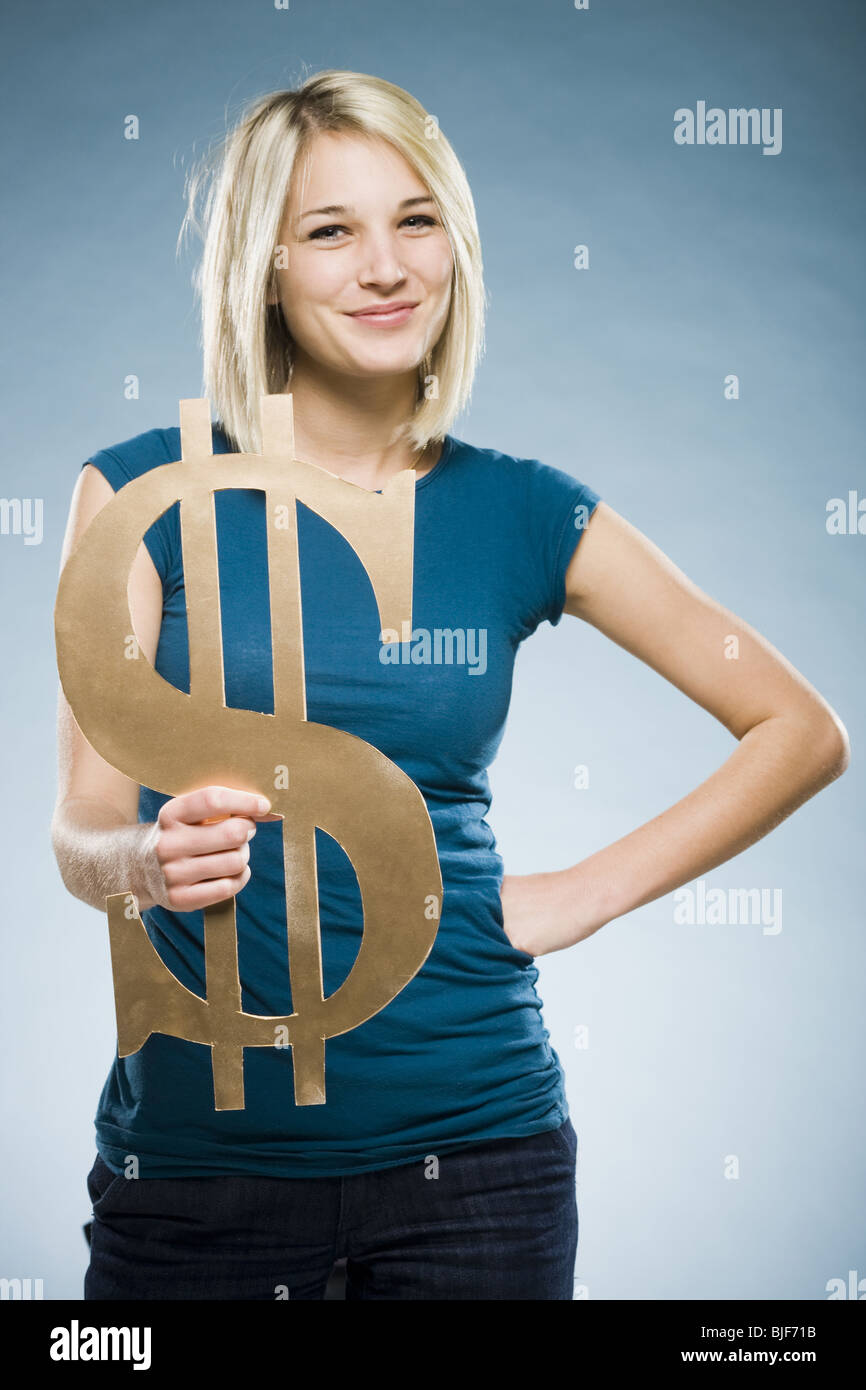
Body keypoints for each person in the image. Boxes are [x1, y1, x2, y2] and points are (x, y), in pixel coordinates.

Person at [52, 70, 849, 1302]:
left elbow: (798, 728)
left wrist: (571, 899)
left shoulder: (524, 509)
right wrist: (141, 866)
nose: (385, 267)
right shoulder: (138, 495)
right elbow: (80, 830)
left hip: (481, 1169)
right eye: (331, 230)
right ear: (265, 267)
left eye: (415, 220)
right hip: (197, 1177)